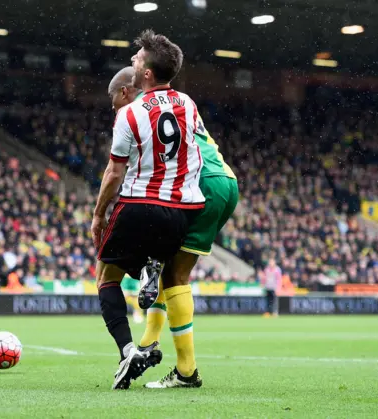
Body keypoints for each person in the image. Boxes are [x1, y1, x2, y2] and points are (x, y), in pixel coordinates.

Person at [107, 62, 239, 389]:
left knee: (173, 274)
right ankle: (149, 341)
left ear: (128, 93)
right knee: (169, 270)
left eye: (116, 102)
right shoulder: (180, 104)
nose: (115, 110)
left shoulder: (140, 114)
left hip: (198, 184)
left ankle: (185, 371)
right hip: (224, 179)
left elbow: (133, 170)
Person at [91, 30, 206, 390]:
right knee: (167, 271)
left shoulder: (129, 113)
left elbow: (114, 172)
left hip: (139, 203)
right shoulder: (188, 104)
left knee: (106, 278)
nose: (132, 61)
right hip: (180, 210)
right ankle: (149, 269)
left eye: (137, 59)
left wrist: (98, 213)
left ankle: (128, 349)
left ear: (146, 75)